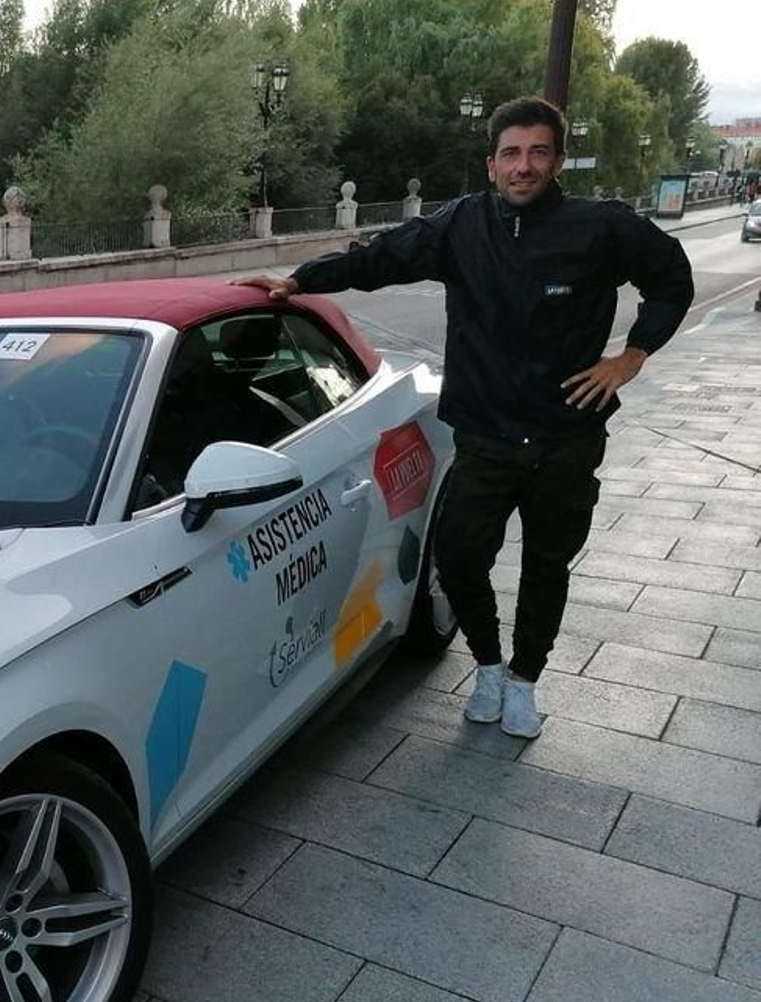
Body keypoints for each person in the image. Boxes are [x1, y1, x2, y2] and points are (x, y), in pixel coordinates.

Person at [234, 96, 693, 738]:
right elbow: (383, 255)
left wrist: (631, 357)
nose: (523, 166)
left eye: (538, 152)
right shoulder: (462, 226)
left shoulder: (602, 227)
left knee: (546, 565)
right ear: (491, 164)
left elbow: (672, 279)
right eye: (511, 154)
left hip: (566, 435)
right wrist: (301, 280)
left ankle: (527, 680)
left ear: (558, 160)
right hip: (484, 435)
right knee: (458, 554)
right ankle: (487, 665)